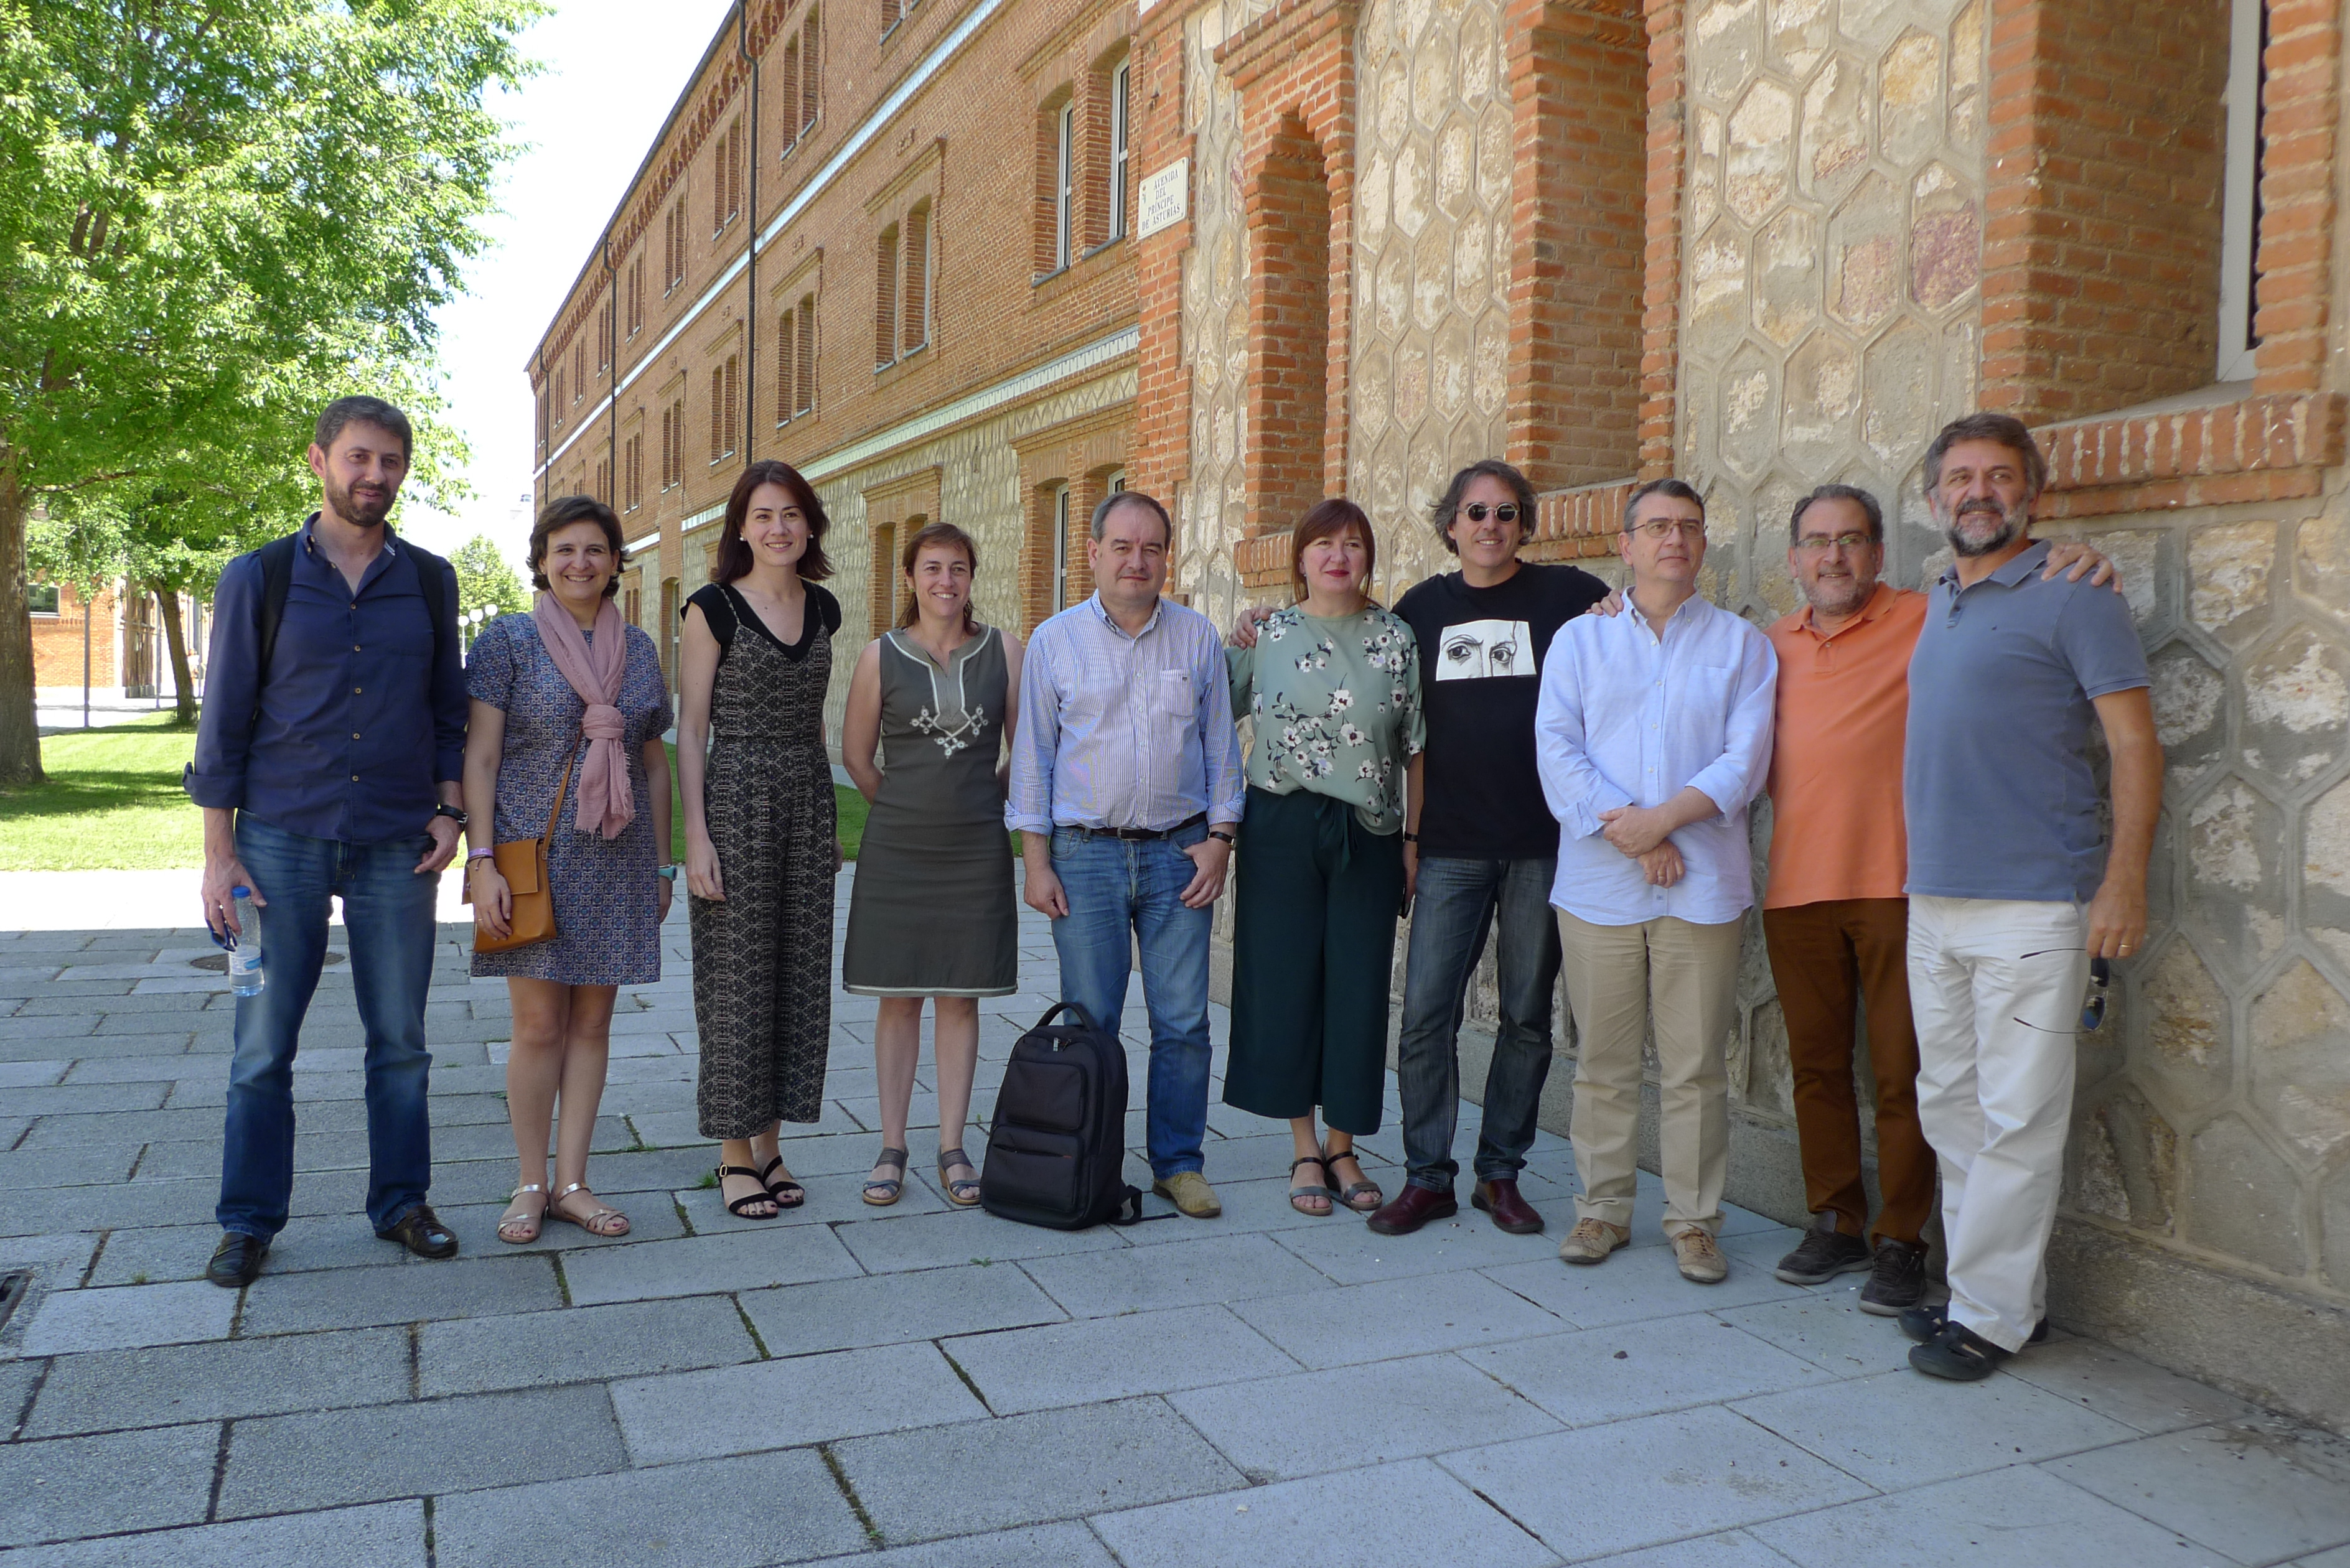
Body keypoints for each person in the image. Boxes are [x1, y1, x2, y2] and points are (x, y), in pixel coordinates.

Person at [1756, 485, 2118, 1315]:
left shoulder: (1928, 619)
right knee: (1816, 1068)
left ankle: (1901, 1242)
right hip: (1795, 888)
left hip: (1899, 886)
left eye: (1851, 540)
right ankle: (1837, 1220)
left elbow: (2007, 593)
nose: (1834, 556)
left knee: (1904, 1075)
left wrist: (2079, 559)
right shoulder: (1768, 646)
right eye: (1817, 542)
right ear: (1794, 561)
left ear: (1879, 554)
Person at [1232, 457, 1603, 1234]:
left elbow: (1629, 630)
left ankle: (1498, 1173)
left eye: (1505, 514)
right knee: (1423, 1015)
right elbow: (1209, 701)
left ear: (1523, 525)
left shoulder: (1563, 597)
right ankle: (1423, 1173)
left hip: (1526, 842)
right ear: (1449, 527)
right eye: (1475, 513)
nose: (1490, 526)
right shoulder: (1409, 613)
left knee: (1524, 1017)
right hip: (1437, 846)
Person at [1898, 413, 2159, 1381]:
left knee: (2016, 1116)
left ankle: (1991, 1318)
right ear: (1935, 501)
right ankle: (1994, 1299)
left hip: (2037, 904)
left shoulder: (2075, 594)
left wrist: (2120, 880)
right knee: (1954, 1107)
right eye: (1960, 478)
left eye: (1998, 476)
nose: (1978, 492)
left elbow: (2133, 744)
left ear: (2032, 495)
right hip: (1936, 899)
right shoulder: (1938, 594)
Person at [186, 395, 468, 1287]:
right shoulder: (258, 577)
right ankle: (248, 1221)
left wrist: (451, 812)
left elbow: (447, 713)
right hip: (274, 849)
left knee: (403, 1041)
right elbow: (222, 721)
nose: (373, 476)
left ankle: (401, 1203)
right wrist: (218, 856)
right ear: (318, 461)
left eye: (388, 461)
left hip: (396, 846)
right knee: (262, 1042)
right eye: (357, 458)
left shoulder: (429, 580)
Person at [1534, 478, 1775, 1285]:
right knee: (1602, 1061)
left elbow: (1746, 761)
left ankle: (1695, 1222)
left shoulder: (1743, 646)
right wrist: (1632, 832)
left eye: (1689, 527)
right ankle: (1600, 1211)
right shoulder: (1580, 642)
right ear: (1628, 544)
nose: (1674, 539)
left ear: (1703, 545)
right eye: (1658, 527)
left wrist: (1664, 821)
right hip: (1601, 886)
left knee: (1695, 1065)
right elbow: (1556, 747)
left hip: (1702, 885)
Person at [1007, 490, 1244, 1220]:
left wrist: (1220, 843)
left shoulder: (1198, 639)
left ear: (1164, 558)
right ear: (1092, 554)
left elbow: (1220, 752)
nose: (1136, 561)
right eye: (1121, 547)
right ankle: (1091, 1161)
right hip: (1085, 857)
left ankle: (1178, 1162)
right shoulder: (1054, 642)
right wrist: (1036, 862)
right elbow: (1033, 762)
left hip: (1180, 857)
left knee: (1183, 1023)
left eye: (1150, 549)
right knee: (1091, 1023)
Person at [462, 495, 673, 1243]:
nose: (579, 562)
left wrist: (662, 865)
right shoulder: (509, 642)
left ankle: (574, 1182)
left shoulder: (640, 649)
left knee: (592, 1024)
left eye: (594, 549)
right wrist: (479, 860)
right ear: (542, 559)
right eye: (564, 550)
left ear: (617, 562)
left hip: (617, 858)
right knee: (538, 1025)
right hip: (533, 858)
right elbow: (480, 758)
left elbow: (653, 763)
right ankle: (528, 1182)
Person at [1222, 499, 1423, 1216]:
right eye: (1322, 544)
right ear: (1300, 557)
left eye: (1352, 544)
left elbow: (1412, 749)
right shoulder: (1265, 634)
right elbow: (1213, 720)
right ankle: (1304, 1147)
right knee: (1283, 984)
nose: (1337, 556)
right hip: (1278, 825)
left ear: (1368, 556)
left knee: (1357, 989)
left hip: (1367, 832)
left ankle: (1343, 1146)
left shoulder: (1395, 637)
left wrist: (1410, 843)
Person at [678, 460, 845, 1221]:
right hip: (736, 795)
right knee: (737, 980)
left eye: (790, 514)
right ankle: (732, 1155)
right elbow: (690, 732)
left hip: (806, 800)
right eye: (762, 515)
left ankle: (772, 1144)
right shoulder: (710, 608)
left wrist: (823, 812)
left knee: (797, 977)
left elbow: (812, 717)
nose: (777, 528)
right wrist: (696, 838)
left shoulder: (825, 609)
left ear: (808, 524)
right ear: (740, 527)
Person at [841, 521, 1023, 1209]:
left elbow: (1022, 750)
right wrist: (908, 807)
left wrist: (979, 799)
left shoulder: (1005, 650)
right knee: (897, 997)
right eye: (931, 568)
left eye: (957, 569)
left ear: (972, 577)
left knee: (960, 995)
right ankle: (891, 1145)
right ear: (911, 578)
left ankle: (952, 1144)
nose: (944, 581)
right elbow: (857, 759)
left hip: (975, 848)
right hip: (897, 851)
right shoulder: (877, 657)